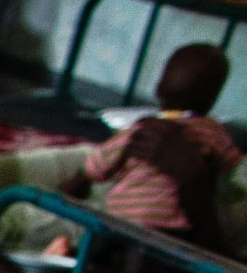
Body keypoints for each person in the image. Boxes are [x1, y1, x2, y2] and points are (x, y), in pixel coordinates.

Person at [61, 44, 239, 257]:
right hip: (171, 231)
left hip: (120, 222)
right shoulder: (213, 133)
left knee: (94, 250)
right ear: (212, 97)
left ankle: (69, 255)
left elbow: (97, 163)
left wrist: (79, 183)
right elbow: (234, 168)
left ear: (158, 87)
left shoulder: (139, 130)